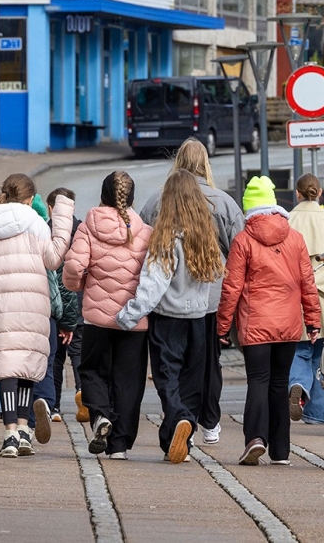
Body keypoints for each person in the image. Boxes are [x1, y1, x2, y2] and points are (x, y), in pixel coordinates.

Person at [0, 173, 74, 457]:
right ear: (30, 199)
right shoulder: (37, 225)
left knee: (6, 368)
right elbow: (54, 259)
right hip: (33, 302)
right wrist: (64, 213)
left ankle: (9, 434)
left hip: (0, 305)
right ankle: (22, 430)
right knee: (26, 370)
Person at [139, 138, 244, 445]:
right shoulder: (222, 202)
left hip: (167, 296)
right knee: (207, 362)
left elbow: (144, 242)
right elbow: (239, 251)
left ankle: (179, 417)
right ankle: (207, 421)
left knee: (169, 363)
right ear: (206, 163)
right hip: (210, 296)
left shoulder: (158, 201)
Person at [115, 171, 225, 463]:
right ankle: (178, 442)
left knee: (168, 378)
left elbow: (154, 284)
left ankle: (177, 420)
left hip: (168, 320)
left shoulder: (166, 237)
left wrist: (128, 316)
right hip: (200, 319)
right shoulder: (206, 236)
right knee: (192, 382)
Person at [218, 176, 321, 466]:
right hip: (288, 326)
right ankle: (281, 451)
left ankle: (255, 439)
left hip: (256, 325)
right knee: (279, 383)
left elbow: (232, 288)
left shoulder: (243, 241)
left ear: (248, 208)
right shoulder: (295, 238)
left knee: (258, 382)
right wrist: (313, 322)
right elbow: (307, 283)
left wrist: (222, 327)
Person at [63, 171, 153, 461]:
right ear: (133, 198)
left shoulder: (88, 227)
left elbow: (75, 268)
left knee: (91, 371)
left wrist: (78, 285)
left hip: (97, 319)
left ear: (102, 196)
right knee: (129, 381)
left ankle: (101, 414)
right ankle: (120, 446)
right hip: (135, 321)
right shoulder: (144, 231)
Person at [286, 174, 324, 424]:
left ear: (297, 193)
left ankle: (298, 384)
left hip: (295, 299)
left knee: (299, 350)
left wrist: (302, 284)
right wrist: (318, 282)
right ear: (320, 193)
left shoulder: (287, 222)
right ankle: (317, 414)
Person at [47, 187, 86, 424]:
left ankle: (54, 406)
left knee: (56, 359)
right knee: (80, 355)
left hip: (53, 304)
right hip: (80, 304)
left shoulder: (45, 229)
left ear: (52, 207)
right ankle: (84, 396)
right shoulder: (82, 229)